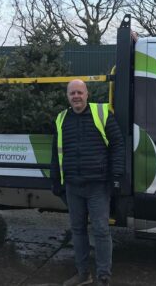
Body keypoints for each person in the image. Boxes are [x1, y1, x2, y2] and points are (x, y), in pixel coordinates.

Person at [51, 79, 124, 286]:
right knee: (78, 230)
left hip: (97, 186)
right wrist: (55, 179)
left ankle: (103, 276)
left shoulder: (101, 114)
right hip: (73, 186)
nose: (76, 96)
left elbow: (118, 144)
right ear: (68, 96)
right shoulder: (61, 119)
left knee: (101, 230)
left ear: (87, 94)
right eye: (72, 93)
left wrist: (116, 176)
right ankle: (83, 274)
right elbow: (55, 153)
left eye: (79, 92)